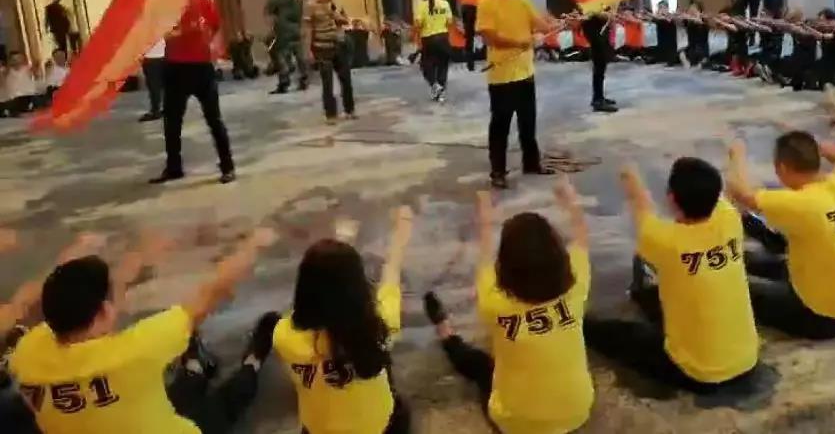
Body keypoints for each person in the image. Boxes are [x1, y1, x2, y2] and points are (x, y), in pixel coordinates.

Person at [7, 230, 278, 434]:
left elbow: (42, 301)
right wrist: (253, 245)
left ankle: (196, 368)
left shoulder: (27, 352)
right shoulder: (136, 351)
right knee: (227, 400)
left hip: (128, 416)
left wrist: (130, 261)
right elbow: (210, 295)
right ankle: (252, 361)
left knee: (176, 391)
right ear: (104, 312)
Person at [423, 182, 594, 433]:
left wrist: (485, 217)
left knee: (480, 366)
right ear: (559, 255)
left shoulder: (494, 302)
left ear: (504, 265)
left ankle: (445, 331)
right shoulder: (577, 285)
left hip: (514, 423)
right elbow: (582, 236)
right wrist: (571, 200)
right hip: (577, 413)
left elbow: (484, 257)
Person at [584, 158, 759, 392]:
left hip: (699, 374)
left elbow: (641, 205)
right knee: (660, 293)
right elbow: (724, 195)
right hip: (747, 360)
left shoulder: (665, 240)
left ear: (671, 199)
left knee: (613, 334)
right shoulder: (730, 220)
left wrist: (630, 177)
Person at [725, 132, 835, 339]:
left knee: (732, 290)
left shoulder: (802, 203)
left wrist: (737, 154)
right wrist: (825, 150)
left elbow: (741, 193)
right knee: (750, 260)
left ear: (782, 168)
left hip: (824, 316)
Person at [273, 207, 414, 434]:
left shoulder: (284, 335)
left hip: (319, 429)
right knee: (396, 397)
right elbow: (391, 274)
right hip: (376, 428)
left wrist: (342, 241)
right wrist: (401, 234)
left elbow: (321, 293)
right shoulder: (379, 325)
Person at [476, 0, 555, 189]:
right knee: (500, 126)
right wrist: (518, 43)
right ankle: (498, 171)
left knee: (528, 123)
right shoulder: (487, 4)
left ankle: (531, 163)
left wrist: (559, 22)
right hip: (501, 77)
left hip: (525, 73)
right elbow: (489, 37)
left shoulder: (522, 2)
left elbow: (541, 25)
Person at [151, 0, 236, 185]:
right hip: (175, 68)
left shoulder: (204, 5)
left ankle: (227, 166)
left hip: (201, 68)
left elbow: (217, 28)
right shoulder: (165, 9)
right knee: (172, 122)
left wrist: (215, 47)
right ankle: (174, 167)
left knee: (214, 119)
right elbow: (160, 33)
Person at [303, 0, 356, 124]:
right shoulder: (310, 5)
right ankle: (331, 114)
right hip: (321, 47)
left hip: (338, 44)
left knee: (346, 78)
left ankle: (349, 109)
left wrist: (339, 16)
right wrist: (308, 50)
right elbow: (307, 29)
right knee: (328, 83)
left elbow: (345, 19)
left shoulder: (336, 2)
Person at [266, 0, 308, 94]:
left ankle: (284, 81)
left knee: (281, 56)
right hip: (295, 31)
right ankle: (303, 78)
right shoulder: (297, 0)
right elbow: (299, 16)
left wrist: (272, 29)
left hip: (282, 31)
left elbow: (269, 15)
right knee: (299, 56)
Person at [415, 0, 453, 103]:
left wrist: (417, 41)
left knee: (426, 66)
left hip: (428, 40)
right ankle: (440, 91)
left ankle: (434, 85)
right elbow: (449, 22)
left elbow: (418, 25)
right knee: (443, 66)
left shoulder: (422, 6)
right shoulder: (445, 4)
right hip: (443, 37)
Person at [582, 9, 618, 113]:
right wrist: (606, 15)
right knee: (599, 67)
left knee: (601, 69)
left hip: (599, 31)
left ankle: (599, 97)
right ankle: (597, 101)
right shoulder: (591, 4)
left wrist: (609, 16)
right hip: (594, 33)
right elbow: (592, 14)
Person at [452, 0, 484, 71]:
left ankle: (470, 63)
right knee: (484, 31)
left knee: (469, 35)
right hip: (480, 5)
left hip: (467, 6)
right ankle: (488, 55)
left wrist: (458, 13)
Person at [139, 38, 166, 123]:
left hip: (151, 59)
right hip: (162, 57)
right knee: (161, 86)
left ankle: (155, 112)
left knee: (154, 87)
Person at [653, 1, 679, 66]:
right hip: (661, 40)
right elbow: (654, 19)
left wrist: (663, 16)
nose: (662, 9)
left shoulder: (670, 15)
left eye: (664, 7)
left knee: (670, 53)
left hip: (671, 40)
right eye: (660, 7)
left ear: (667, 8)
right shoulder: (657, 16)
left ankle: (672, 59)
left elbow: (669, 20)